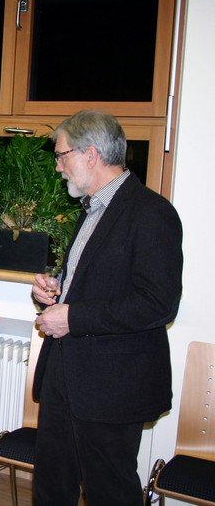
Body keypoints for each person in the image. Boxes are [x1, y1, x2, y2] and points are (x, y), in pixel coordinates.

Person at [31, 110, 183, 505]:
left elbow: (158, 303)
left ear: (91, 154)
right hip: (65, 374)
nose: (58, 166)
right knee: (51, 486)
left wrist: (72, 316)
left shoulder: (151, 213)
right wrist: (55, 291)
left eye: (62, 155)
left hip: (113, 386)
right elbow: (97, 283)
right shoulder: (92, 210)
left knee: (109, 493)